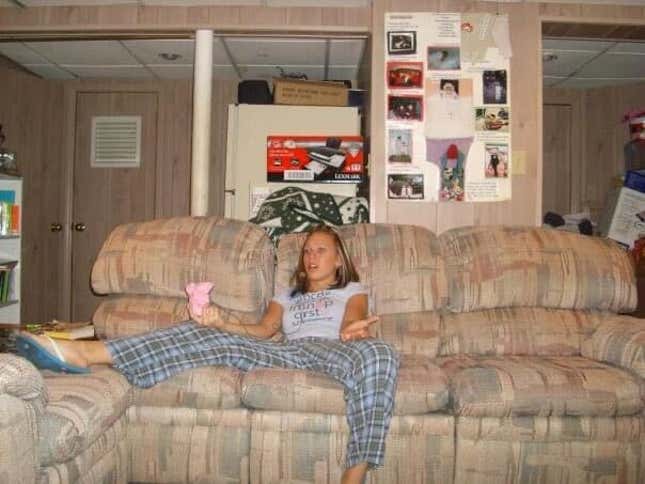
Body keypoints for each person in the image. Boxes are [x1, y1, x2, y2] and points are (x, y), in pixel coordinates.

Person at [15, 225, 400, 484]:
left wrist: (352, 330)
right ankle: (87, 353)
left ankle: (355, 472)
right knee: (201, 330)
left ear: (338, 259)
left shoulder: (353, 290)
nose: (311, 257)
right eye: (306, 251)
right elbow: (263, 332)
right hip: (289, 351)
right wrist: (221, 320)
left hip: (336, 348)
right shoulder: (285, 297)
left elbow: (354, 320)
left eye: (321, 250)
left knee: (381, 353)